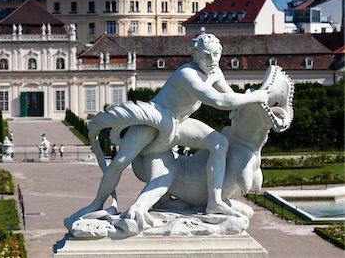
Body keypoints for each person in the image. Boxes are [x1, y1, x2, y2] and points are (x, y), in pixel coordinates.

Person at [69, 33, 270, 220]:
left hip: (180, 123)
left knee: (219, 143)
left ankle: (214, 202)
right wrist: (255, 96)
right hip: (157, 118)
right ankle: (97, 203)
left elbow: (230, 100)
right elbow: (218, 101)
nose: (212, 60)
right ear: (194, 55)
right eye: (206, 56)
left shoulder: (215, 72)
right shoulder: (187, 74)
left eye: (216, 55)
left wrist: (254, 108)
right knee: (121, 161)